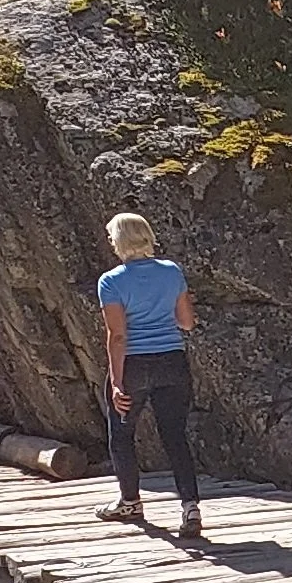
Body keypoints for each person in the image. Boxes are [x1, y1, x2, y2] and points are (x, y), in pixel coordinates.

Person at [95, 210, 204, 549]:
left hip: (135, 365)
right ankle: (190, 508)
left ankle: (130, 502)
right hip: (173, 360)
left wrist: (116, 382)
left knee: (122, 435)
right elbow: (187, 323)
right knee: (175, 436)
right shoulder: (172, 272)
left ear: (120, 242)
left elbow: (117, 336)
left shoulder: (111, 281)